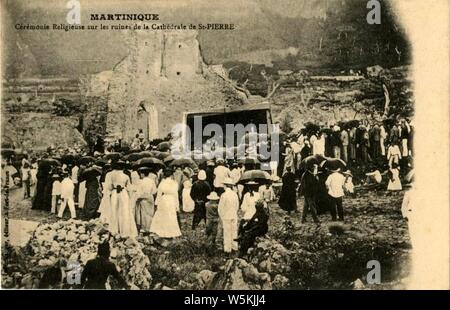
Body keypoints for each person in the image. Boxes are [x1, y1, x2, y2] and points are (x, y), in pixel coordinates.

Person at [106, 161, 138, 237]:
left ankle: (115, 229)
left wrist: (113, 188)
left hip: (114, 192)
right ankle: (125, 230)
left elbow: (109, 187)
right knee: (124, 210)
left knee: (114, 210)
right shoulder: (126, 176)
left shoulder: (111, 175)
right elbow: (129, 187)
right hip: (123, 193)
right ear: (123, 168)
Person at [151, 168, 182, 238]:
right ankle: (171, 232)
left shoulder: (162, 183)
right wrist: (177, 206)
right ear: (171, 175)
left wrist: (156, 203)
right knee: (171, 215)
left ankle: (162, 231)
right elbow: (176, 195)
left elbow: (159, 194)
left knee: (163, 214)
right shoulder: (174, 183)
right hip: (171, 200)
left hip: (164, 199)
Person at [218, 178, 239, 254]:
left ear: (225, 186)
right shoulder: (235, 194)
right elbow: (237, 206)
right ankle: (235, 247)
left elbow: (220, 208)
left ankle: (227, 249)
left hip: (226, 216)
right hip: (233, 215)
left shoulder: (224, 195)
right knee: (234, 231)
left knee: (227, 232)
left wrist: (222, 216)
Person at [134, 167, 157, 232]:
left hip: (143, 198)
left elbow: (139, 192)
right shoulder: (151, 181)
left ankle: (144, 228)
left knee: (144, 214)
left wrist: (137, 198)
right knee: (150, 213)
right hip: (150, 197)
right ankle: (151, 227)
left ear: (143, 174)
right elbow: (154, 191)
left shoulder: (141, 182)